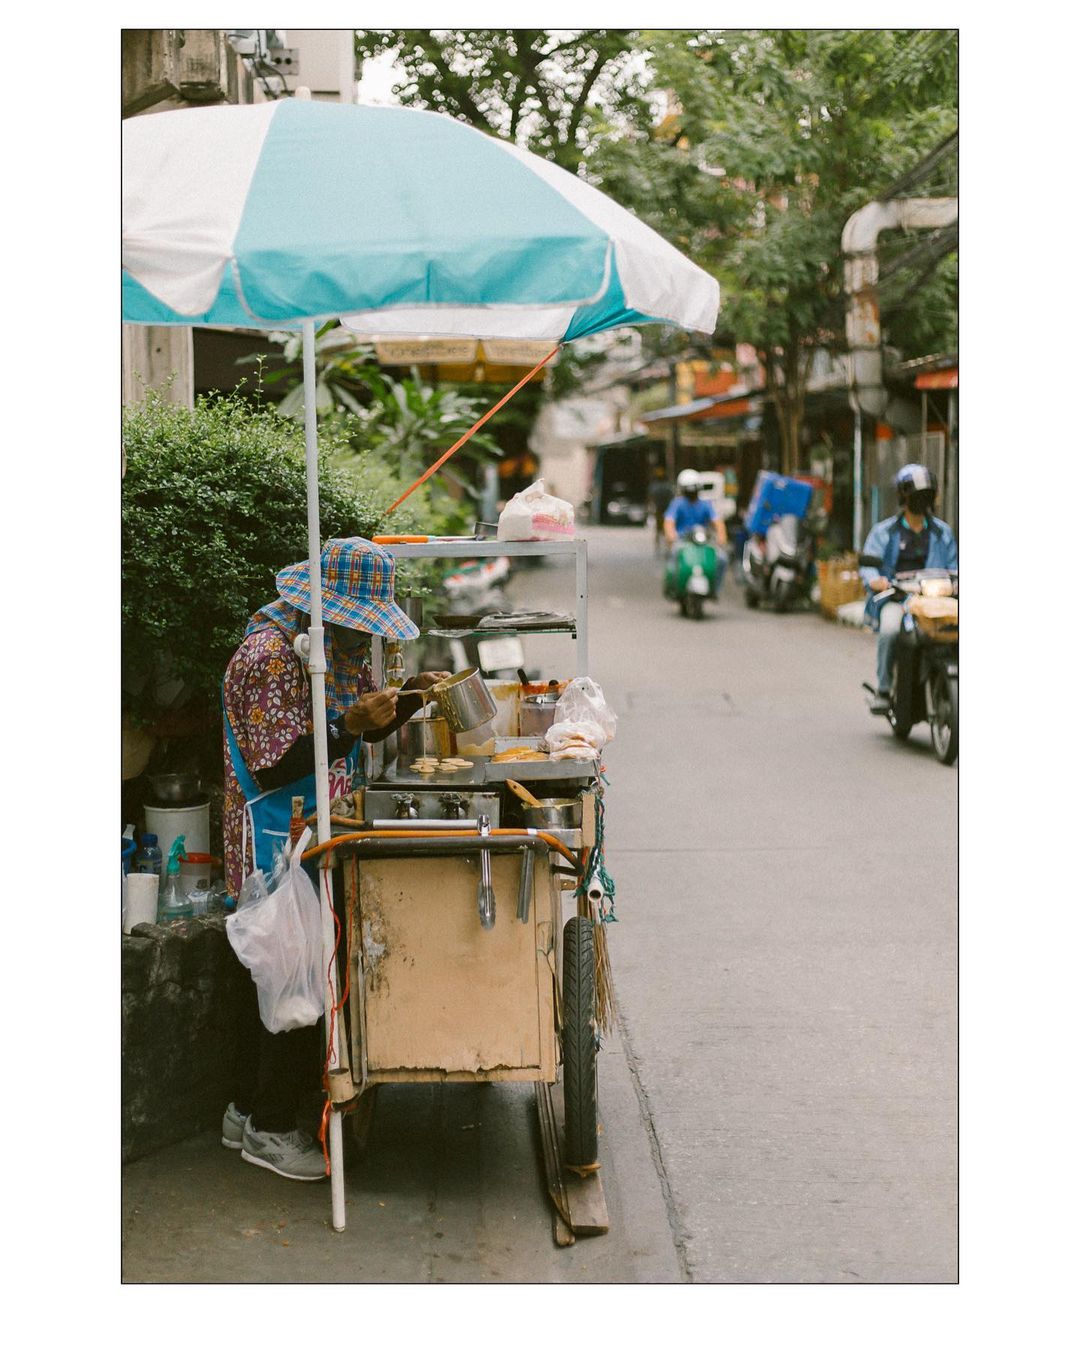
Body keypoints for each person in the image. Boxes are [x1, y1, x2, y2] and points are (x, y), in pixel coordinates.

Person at [220, 537, 450, 1181]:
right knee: (288, 981)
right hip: (274, 839)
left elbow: (356, 727)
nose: (362, 640)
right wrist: (348, 726)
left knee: (288, 974)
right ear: (324, 610)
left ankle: (245, 1111)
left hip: (313, 832)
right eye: (356, 625)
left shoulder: (334, 651)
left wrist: (409, 700)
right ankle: (269, 1129)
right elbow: (276, 763)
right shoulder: (268, 658)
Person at [860, 464, 958, 714]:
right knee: (890, 631)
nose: (921, 501)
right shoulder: (885, 532)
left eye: (926, 495)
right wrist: (876, 580)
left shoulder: (942, 532)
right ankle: (884, 690)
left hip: (934, 602)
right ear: (904, 498)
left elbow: (954, 566)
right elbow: (869, 565)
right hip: (898, 600)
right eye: (916, 496)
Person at [663, 469, 727, 549]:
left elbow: (717, 521)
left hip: (703, 540)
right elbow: (669, 521)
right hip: (682, 541)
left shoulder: (705, 504)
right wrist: (670, 535)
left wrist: (721, 536)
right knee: (674, 553)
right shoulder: (677, 504)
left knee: (721, 555)